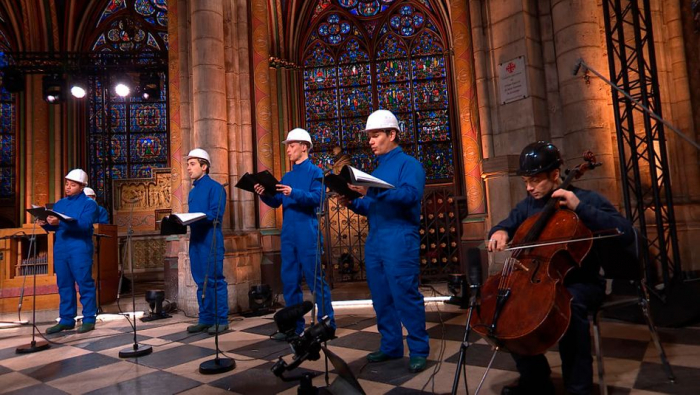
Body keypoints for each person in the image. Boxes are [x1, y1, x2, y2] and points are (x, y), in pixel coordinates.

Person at [488, 141, 634, 395]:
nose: (529, 187)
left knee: (570, 308)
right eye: (525, 181)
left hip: (582, 282)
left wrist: (579, 207)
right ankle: (536, 379)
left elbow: (625, 232)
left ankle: (579, 389)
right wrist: (499, 231)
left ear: (555, 174)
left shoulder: (586, 199)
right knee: (504, 309)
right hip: (539, 281)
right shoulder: (528, 206)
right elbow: (508, 223)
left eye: (535, 180)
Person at [339, 110, 429, 373]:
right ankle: (390, 346)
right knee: (381, 297)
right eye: (369, 136)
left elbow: (410, 196)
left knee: (405, 295)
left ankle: (419, 349)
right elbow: (373, 207)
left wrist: (372, 191)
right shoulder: (378, 169)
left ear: (392, 134)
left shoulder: (409, 165)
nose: (370, 141)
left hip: (400, 237)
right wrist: (354, 202)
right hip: (377, 239)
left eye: (375, 135)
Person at [255, 128, 335, 339]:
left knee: (316, 280)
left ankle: (327, 324)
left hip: (307, 231)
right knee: (289, 281)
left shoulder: (315, 172)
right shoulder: (287, 176)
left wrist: (294, 192)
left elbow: (318, 199)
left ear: (304, 147)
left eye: (291, 145)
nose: (288, 149)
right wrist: (264, 195)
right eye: (288, 146)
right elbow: (277, 201)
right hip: (289, 233)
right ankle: (294, 327)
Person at [40, 169, 98, 334]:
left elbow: (85, 225)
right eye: (67, 184)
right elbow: (54, 225)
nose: (68, 187)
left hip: (79, 248)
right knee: (64, 284)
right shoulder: (60, 204)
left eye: (72, 185)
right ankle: (66, 319)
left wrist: (60, 222)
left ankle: (88, 318)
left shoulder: (89, 204)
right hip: (61, 248)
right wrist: (45, 223)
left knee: (84, 283)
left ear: (82, 187)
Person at [185, 148, 230, 335]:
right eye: (188, 164)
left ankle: (221, 320)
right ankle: (205, 318)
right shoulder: (192, 192)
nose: (188, 168)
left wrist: (197, 217)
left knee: (214, 280)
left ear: (204, 167)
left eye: (192, 164)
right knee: (199, 281)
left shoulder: (216, 188)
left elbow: (216, 214)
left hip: (210, 240)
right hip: (195, 240)